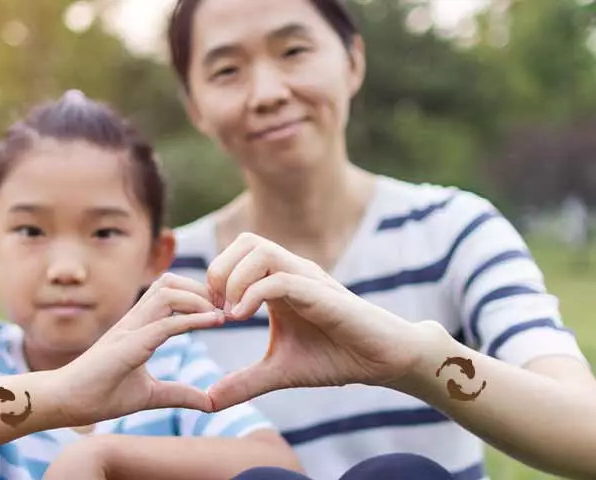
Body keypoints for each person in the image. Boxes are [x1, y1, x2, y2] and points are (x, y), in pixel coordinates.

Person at [161, 0, 594, 478]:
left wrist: (415, 361)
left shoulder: (453, 230)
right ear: (193, 106)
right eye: (226, 70)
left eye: (293, 51)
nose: (267, 93)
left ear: (353, 62)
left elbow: (585, 434)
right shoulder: (165, 281)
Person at [0, 92, 300, 479]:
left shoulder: (170, 369)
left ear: (155, 256)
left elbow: (276, 466)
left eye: (103, 233)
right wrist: (59, 396)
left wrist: (103, 455)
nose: (66, 269)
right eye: (29, 230)